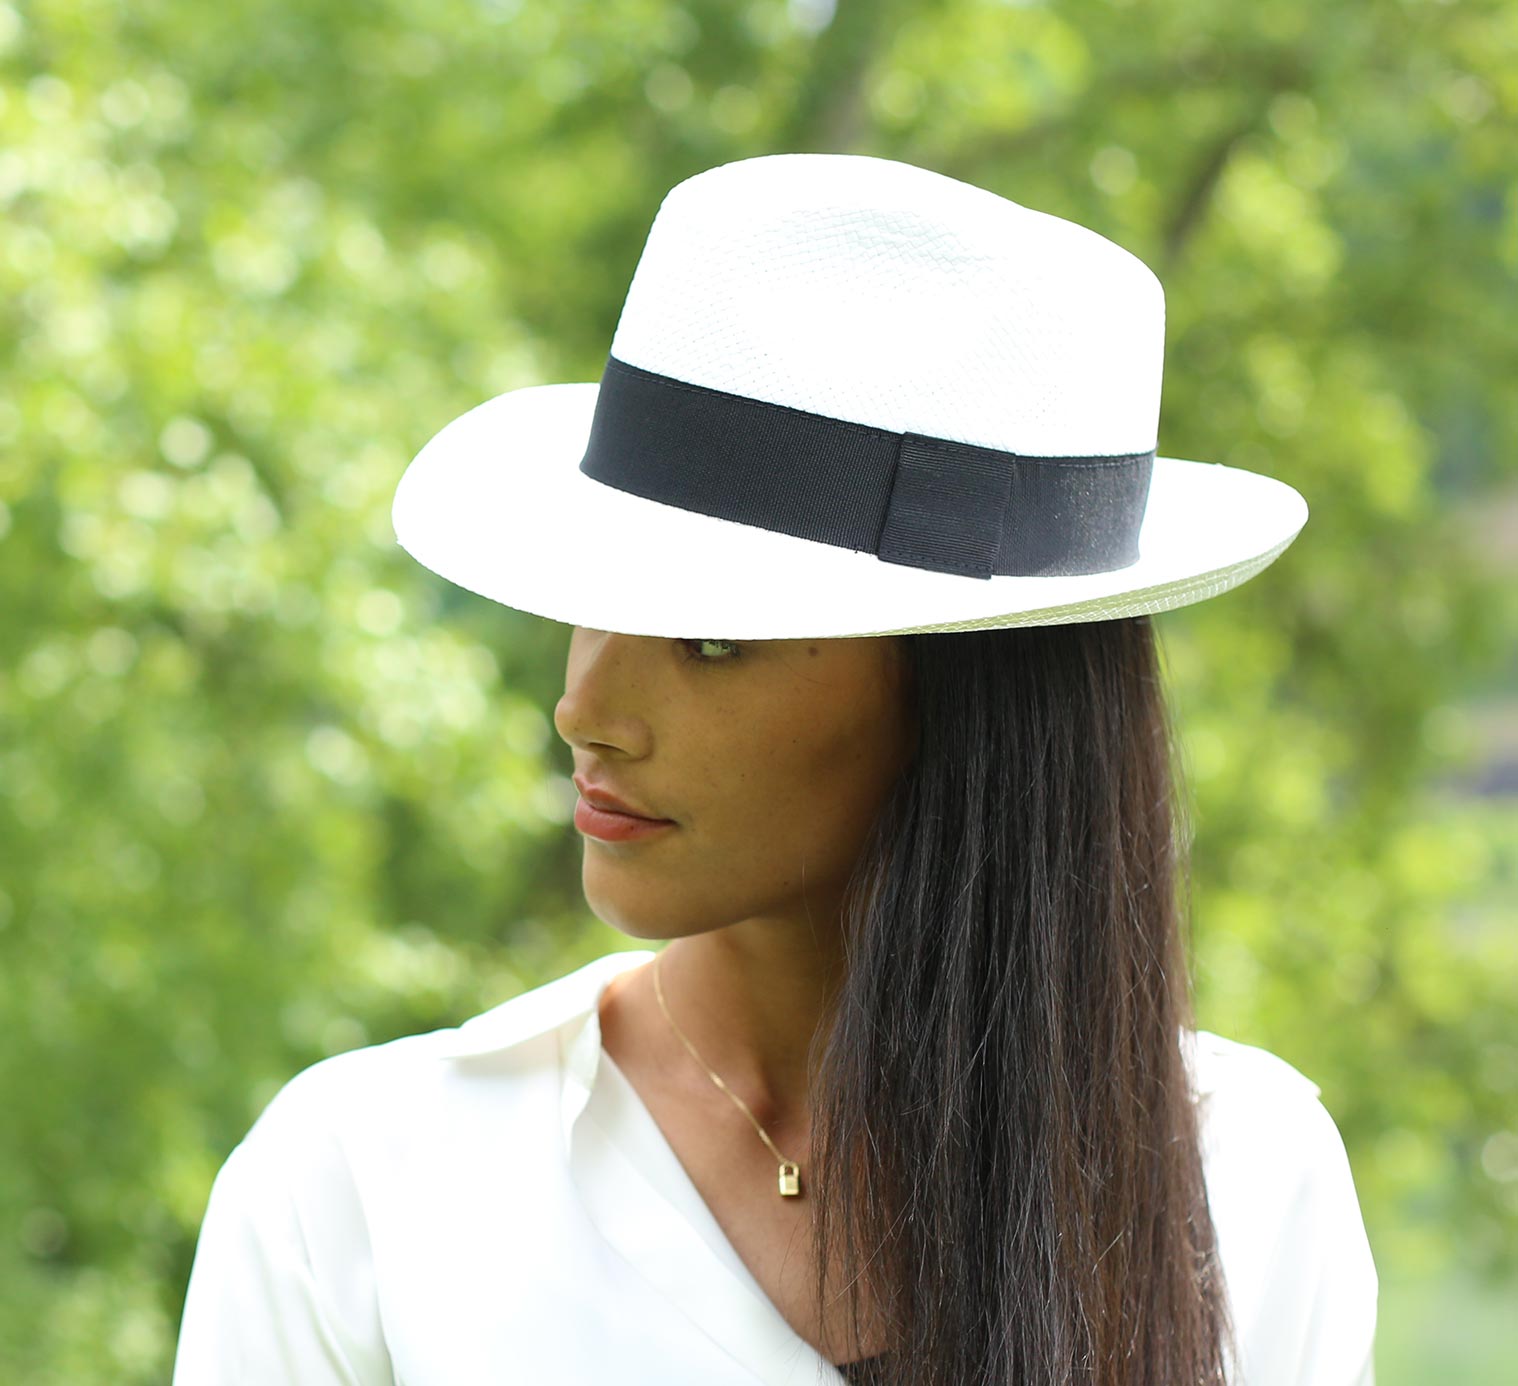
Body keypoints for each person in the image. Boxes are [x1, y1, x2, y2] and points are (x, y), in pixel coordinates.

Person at [171, 153, 1378, 1385]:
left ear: (971, 698)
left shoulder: (1244, 1185)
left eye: (709, 639)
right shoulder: (365, 1192)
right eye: (593, 599)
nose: (585, 711)